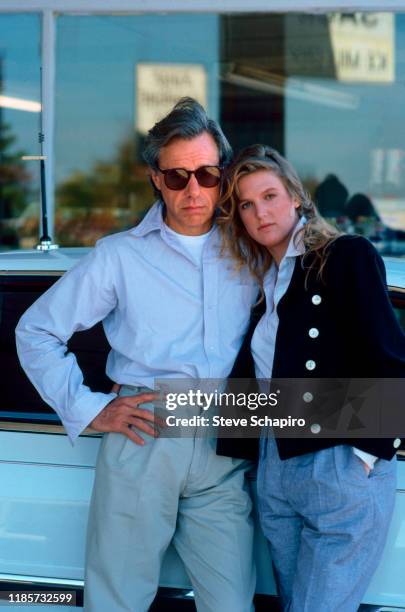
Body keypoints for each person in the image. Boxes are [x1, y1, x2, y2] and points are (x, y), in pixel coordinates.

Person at [15, 98, 258, 612]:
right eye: (177, 177)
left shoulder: (250, 250)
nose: (194, 189)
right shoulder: (119, 257)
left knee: (233, 603)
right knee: (117, 601)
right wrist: (91, 408)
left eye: (208, 174)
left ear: (224, 175)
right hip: (146, 431)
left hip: (227, 436)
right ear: (155, 178)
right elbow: (35, 330)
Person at [218, 143, 405, 612]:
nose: (260, 212)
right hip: (276, 462)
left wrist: (364, 456)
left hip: (337, 459)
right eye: (246, 203)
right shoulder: (265, 280)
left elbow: (388, 357)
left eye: (270, 195)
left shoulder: (346, 256)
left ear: (296, 197)